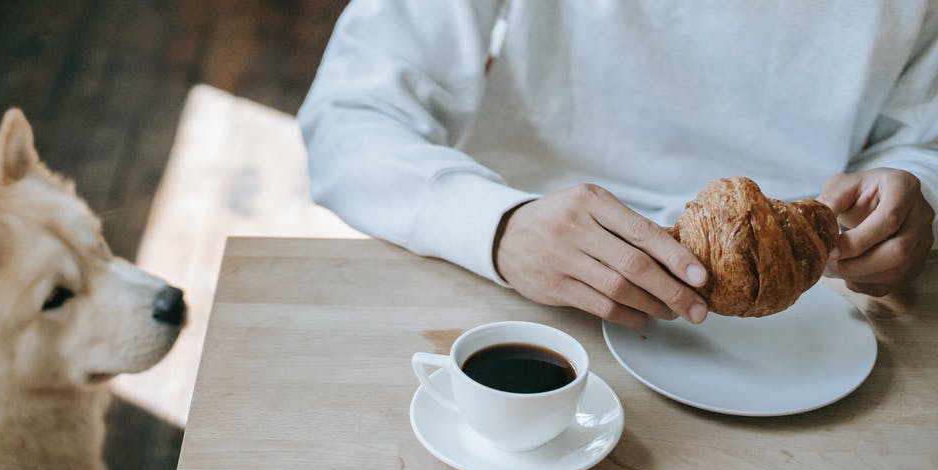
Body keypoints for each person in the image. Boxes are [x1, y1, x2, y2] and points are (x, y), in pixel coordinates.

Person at [299, 0, 937, 329]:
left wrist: (916, 196)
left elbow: (922, 140)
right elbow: (350, 110)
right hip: (513, 282)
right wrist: (498, 226)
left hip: (815, 317)